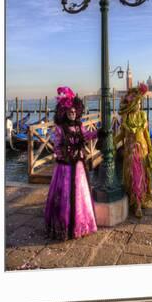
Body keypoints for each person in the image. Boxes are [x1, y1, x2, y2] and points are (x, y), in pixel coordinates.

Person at [44, 87, 98, 240]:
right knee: (65, 197)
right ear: (64, 112)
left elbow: (87, 135)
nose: (72, 114)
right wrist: (65, 154)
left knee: (81, 195)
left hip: (79, 166)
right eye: (69, 112)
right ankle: (65, 228)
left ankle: (81, 224)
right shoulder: (60, 129)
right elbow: (56, 146)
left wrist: (99, 133)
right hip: (65, 168)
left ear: (78, 112)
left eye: (74, 112)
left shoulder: (80, 125)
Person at [114, 83, 152, 218]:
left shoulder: (143, 116)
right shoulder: (125, 118)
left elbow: (146, 135)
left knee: (141, 177)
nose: (139, 105)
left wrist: (151, 150)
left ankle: (139, 202)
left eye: (139, 103)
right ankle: (136, 203)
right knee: (133, 176)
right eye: (136, 102)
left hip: (142, 150)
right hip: (129, 152)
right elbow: (121, 135)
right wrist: (112, 142)